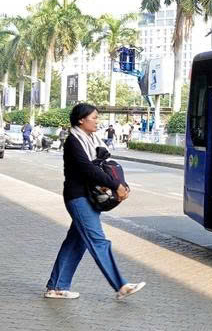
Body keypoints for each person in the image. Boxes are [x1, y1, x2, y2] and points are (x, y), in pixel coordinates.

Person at [44, 103, 145, 300]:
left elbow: (104, 163)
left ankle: (56, 287)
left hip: (88, 197)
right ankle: (121, 285)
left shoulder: (92, 139)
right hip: (78, 197)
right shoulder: (74, 141)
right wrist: (115, 185)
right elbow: (88, 169)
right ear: (81, 120)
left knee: (75, 243)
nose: (98, 121)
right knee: (98, 241)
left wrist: (119, 182)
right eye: (94, 118)